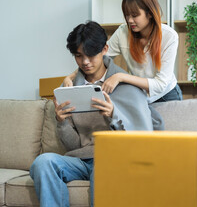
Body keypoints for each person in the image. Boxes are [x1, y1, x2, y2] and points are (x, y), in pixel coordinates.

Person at [30, 21, 163, 207]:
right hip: (80, 159)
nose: (85, 62)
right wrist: (62, 122)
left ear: (105, 49)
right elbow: (74, 146)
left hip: (112, 159)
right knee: (42, 162)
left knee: (102, 166)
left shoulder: (127, 86)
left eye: (91, 55)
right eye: (78, 56)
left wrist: (113, 116)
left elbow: (141, 140)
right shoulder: (69, 88)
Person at [63, 0, 182, 103]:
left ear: (150, 13)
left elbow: (161, 84)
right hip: (140, 95)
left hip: (167, 95)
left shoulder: (169, 36)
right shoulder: (123, 33)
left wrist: (120, 76)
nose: (130, 20)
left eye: (135, 15)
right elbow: (98, 56)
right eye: (127, 15)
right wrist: (71, 77)